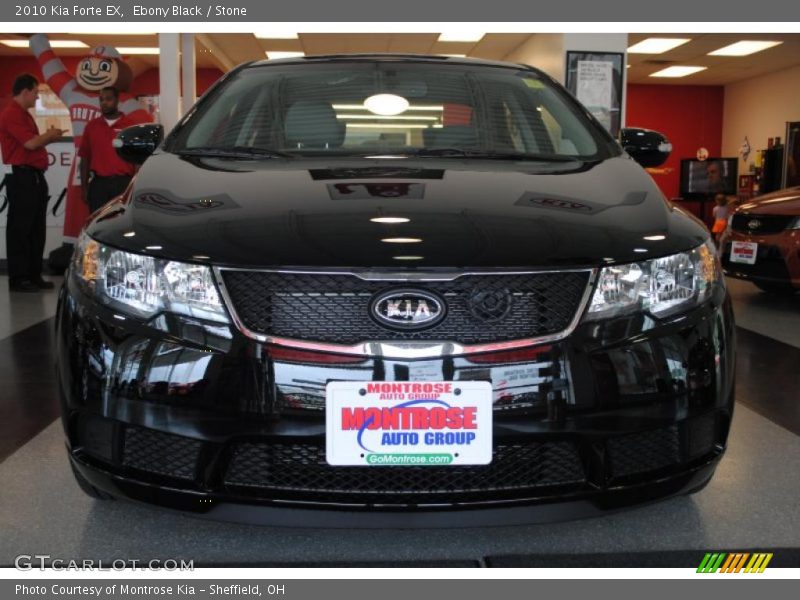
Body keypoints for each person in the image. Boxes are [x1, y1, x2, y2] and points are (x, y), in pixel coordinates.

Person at [0, 74, 65, 292]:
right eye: (36, 92)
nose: (37, 97)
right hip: (22, 176)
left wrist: (49, 137)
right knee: (21, 227)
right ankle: (19, 278)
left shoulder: (23, 114)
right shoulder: (12, 114)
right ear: (25, 91)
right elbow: (30, 143)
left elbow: (31, 144)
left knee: (36, 228)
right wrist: (50, 134)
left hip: (34, 176)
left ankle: (33, 274)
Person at [79, 86, 151, 213]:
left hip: (123, 184)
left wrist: (136, 187)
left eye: (108, 99)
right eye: (101, 100)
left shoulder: (130, 126)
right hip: (98, 185)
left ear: (117, 100)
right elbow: (84, 158)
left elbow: (138, 161)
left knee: (121, 221)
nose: (104, 103)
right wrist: (84, 187)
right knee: (97, 222)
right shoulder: (91, 127)